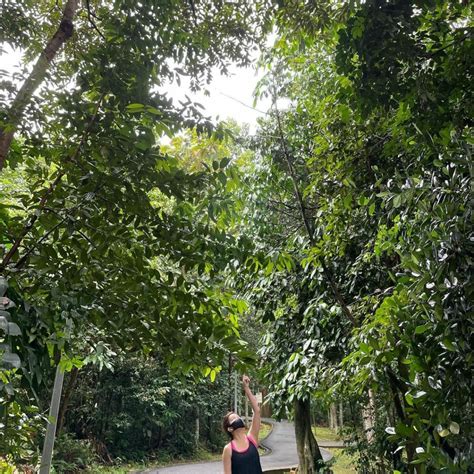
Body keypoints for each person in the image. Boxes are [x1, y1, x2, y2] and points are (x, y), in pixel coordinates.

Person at [222, 375, 263, 474]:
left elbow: (257, 411)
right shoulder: (228, 449)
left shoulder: (252, 439)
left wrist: (246, 388)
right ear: (230, 429)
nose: (238, 419)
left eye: (238, 417)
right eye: (234, 419)